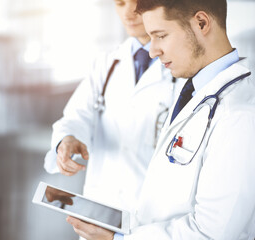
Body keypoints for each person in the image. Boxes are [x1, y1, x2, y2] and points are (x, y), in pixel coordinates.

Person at [66, 0, 255, 239]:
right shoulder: (197, 92)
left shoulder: (238, 114)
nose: (152, 50)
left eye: (161, 36)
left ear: (201, 23)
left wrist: (119, 239)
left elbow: (212, 232)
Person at [44, 0, 184, 224]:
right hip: (102, 206)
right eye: (119, 3)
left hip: (151, 217)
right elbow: (78, 115)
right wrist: (67, 139)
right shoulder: (106, 64)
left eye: (137, 3)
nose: (128, 13)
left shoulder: (183, 68)